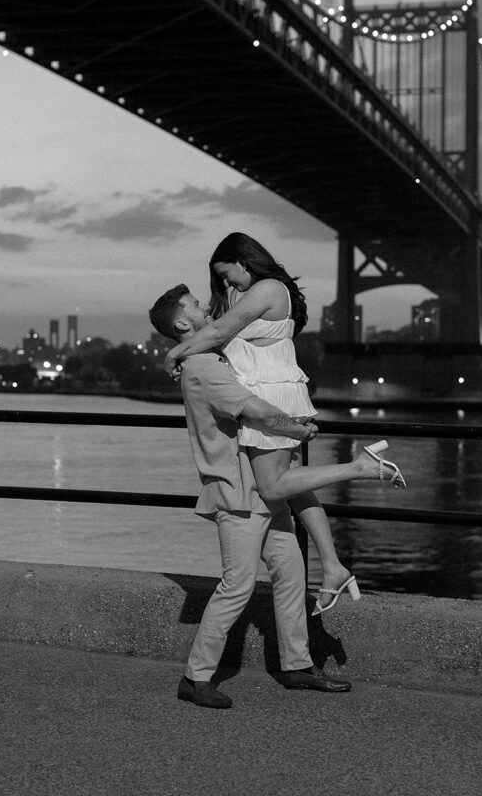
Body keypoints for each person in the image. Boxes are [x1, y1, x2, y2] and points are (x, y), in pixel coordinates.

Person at [162, 233, 405, 615]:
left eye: (228, 274)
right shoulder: (247, 294)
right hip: (275, 394)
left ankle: (363, 467)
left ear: (244, 261)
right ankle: (334, 568)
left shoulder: (269, 288)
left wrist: (174, 352)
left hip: (273, 398)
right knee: (295, 488)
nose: (227, 285)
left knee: (272, 486)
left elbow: (221, 331)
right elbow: (216, 328)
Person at [149, 283, 361, 708]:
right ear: (181, 323)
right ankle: (196, 676)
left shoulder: (212, 357)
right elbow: (254, 409)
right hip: (238, 492)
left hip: (261, 490)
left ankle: (297, 666)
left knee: (290, 572)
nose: (204, 305)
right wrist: (297, 429)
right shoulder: (203, 367)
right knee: (237, 586)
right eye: (194, 305)